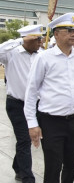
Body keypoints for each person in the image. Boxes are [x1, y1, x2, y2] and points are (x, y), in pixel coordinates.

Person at [24, 13, 74, 183]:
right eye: (68, 30)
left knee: (72, 163)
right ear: (56, 33)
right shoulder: (44, 58)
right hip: (51, 122)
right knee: (53, 167)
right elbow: (31, 92)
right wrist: (32, 124)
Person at [0, 24, 43, 183]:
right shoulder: (12, 53)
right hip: (16, 104)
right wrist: (19, 41)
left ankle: (18, 166)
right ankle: (27, 177)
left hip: (36, 104)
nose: (40, 42)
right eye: (37, 39)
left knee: (28, 139)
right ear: (27, 39)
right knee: (24, 139)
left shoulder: (41, 55)